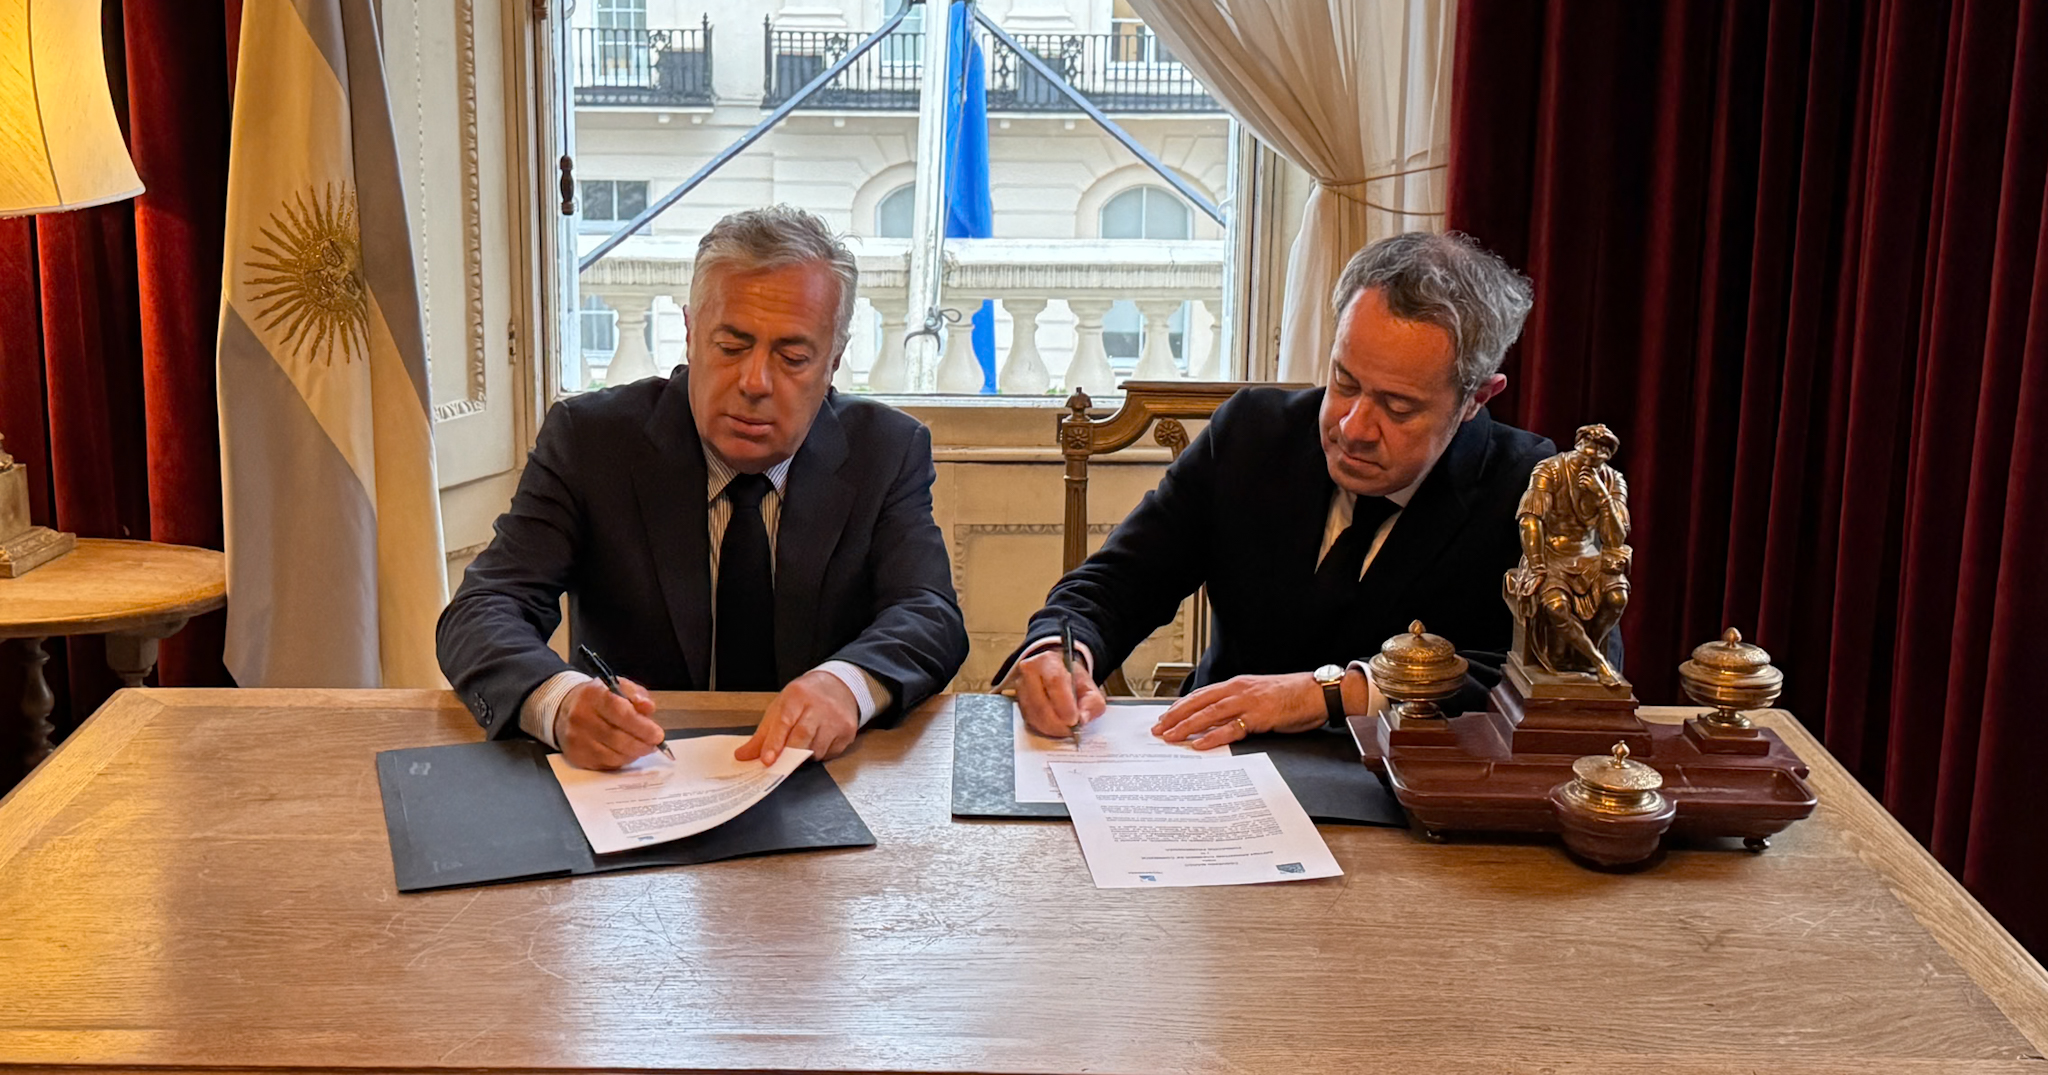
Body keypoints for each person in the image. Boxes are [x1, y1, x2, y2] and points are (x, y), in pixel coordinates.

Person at [438, 206, 968, 770]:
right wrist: (560, 702)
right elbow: (483, 609)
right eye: (731, 347)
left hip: (820, 772)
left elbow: (928, 613)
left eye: (792, 358)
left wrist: (847, 685)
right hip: (638, 774)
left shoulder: (885, 451)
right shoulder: (592, 441)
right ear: (690, 335)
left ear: (833, 361)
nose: (755, 383)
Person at [1005, 231, 1559, 747]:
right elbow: (1122, 581)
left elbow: (1548, 680)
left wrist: (1335, 694)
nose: (1353, 429)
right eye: (1345, 382)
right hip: (1215, 767)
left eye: (1398, 407)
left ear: (1475, 399)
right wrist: (1062, 649)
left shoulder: (1530, 489)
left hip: (1395, 791)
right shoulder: (1252, 434)